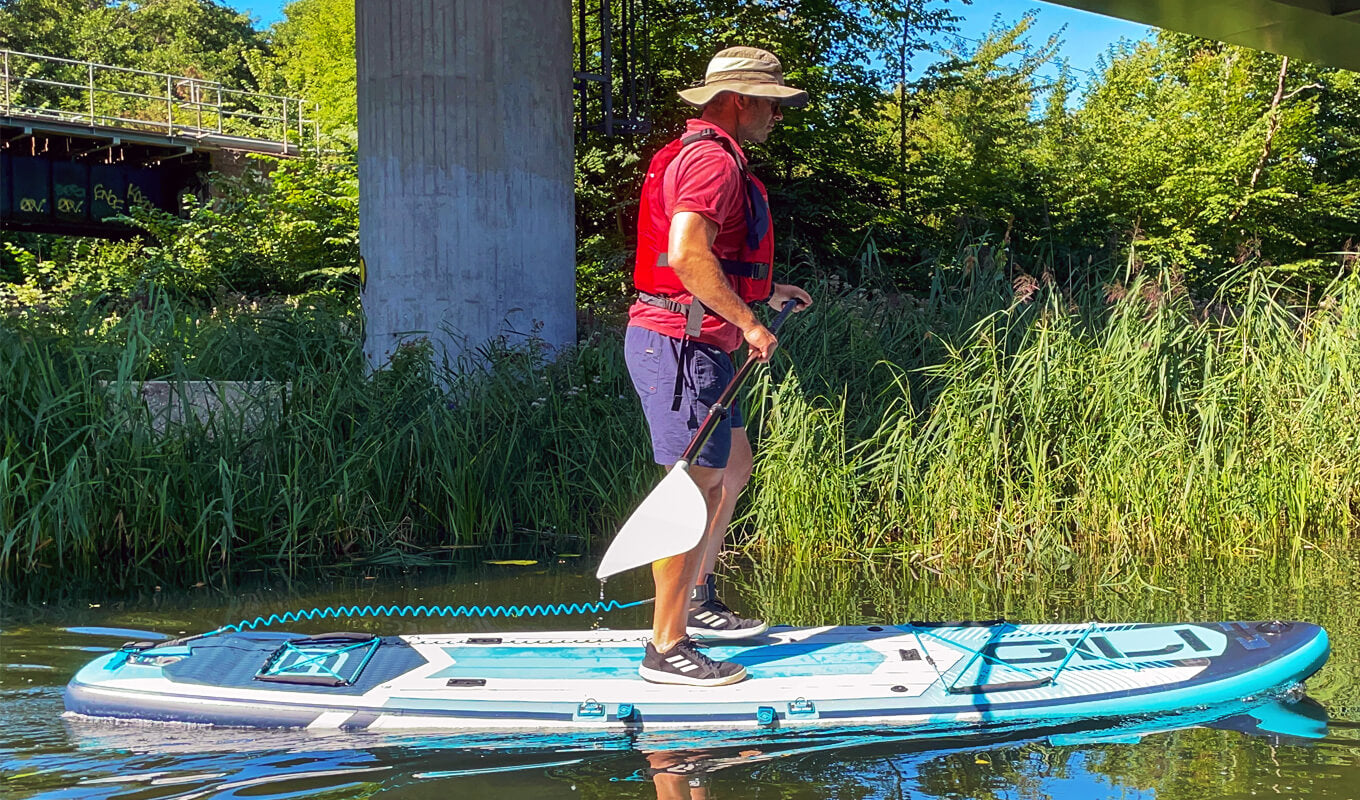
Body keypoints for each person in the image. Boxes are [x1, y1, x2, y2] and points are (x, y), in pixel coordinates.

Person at [625, 46, 813, 687]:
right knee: (696, 487)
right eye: (771, 104)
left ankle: (697, 601)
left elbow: (710, 263)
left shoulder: (709, 153)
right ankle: (665, 650)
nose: (776, 117)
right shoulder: (712, 161)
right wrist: (749, 323)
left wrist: (763, 294)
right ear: (740, 101)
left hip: (697, 342)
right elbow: (685, 254)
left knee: (733, 463)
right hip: (677, 346)